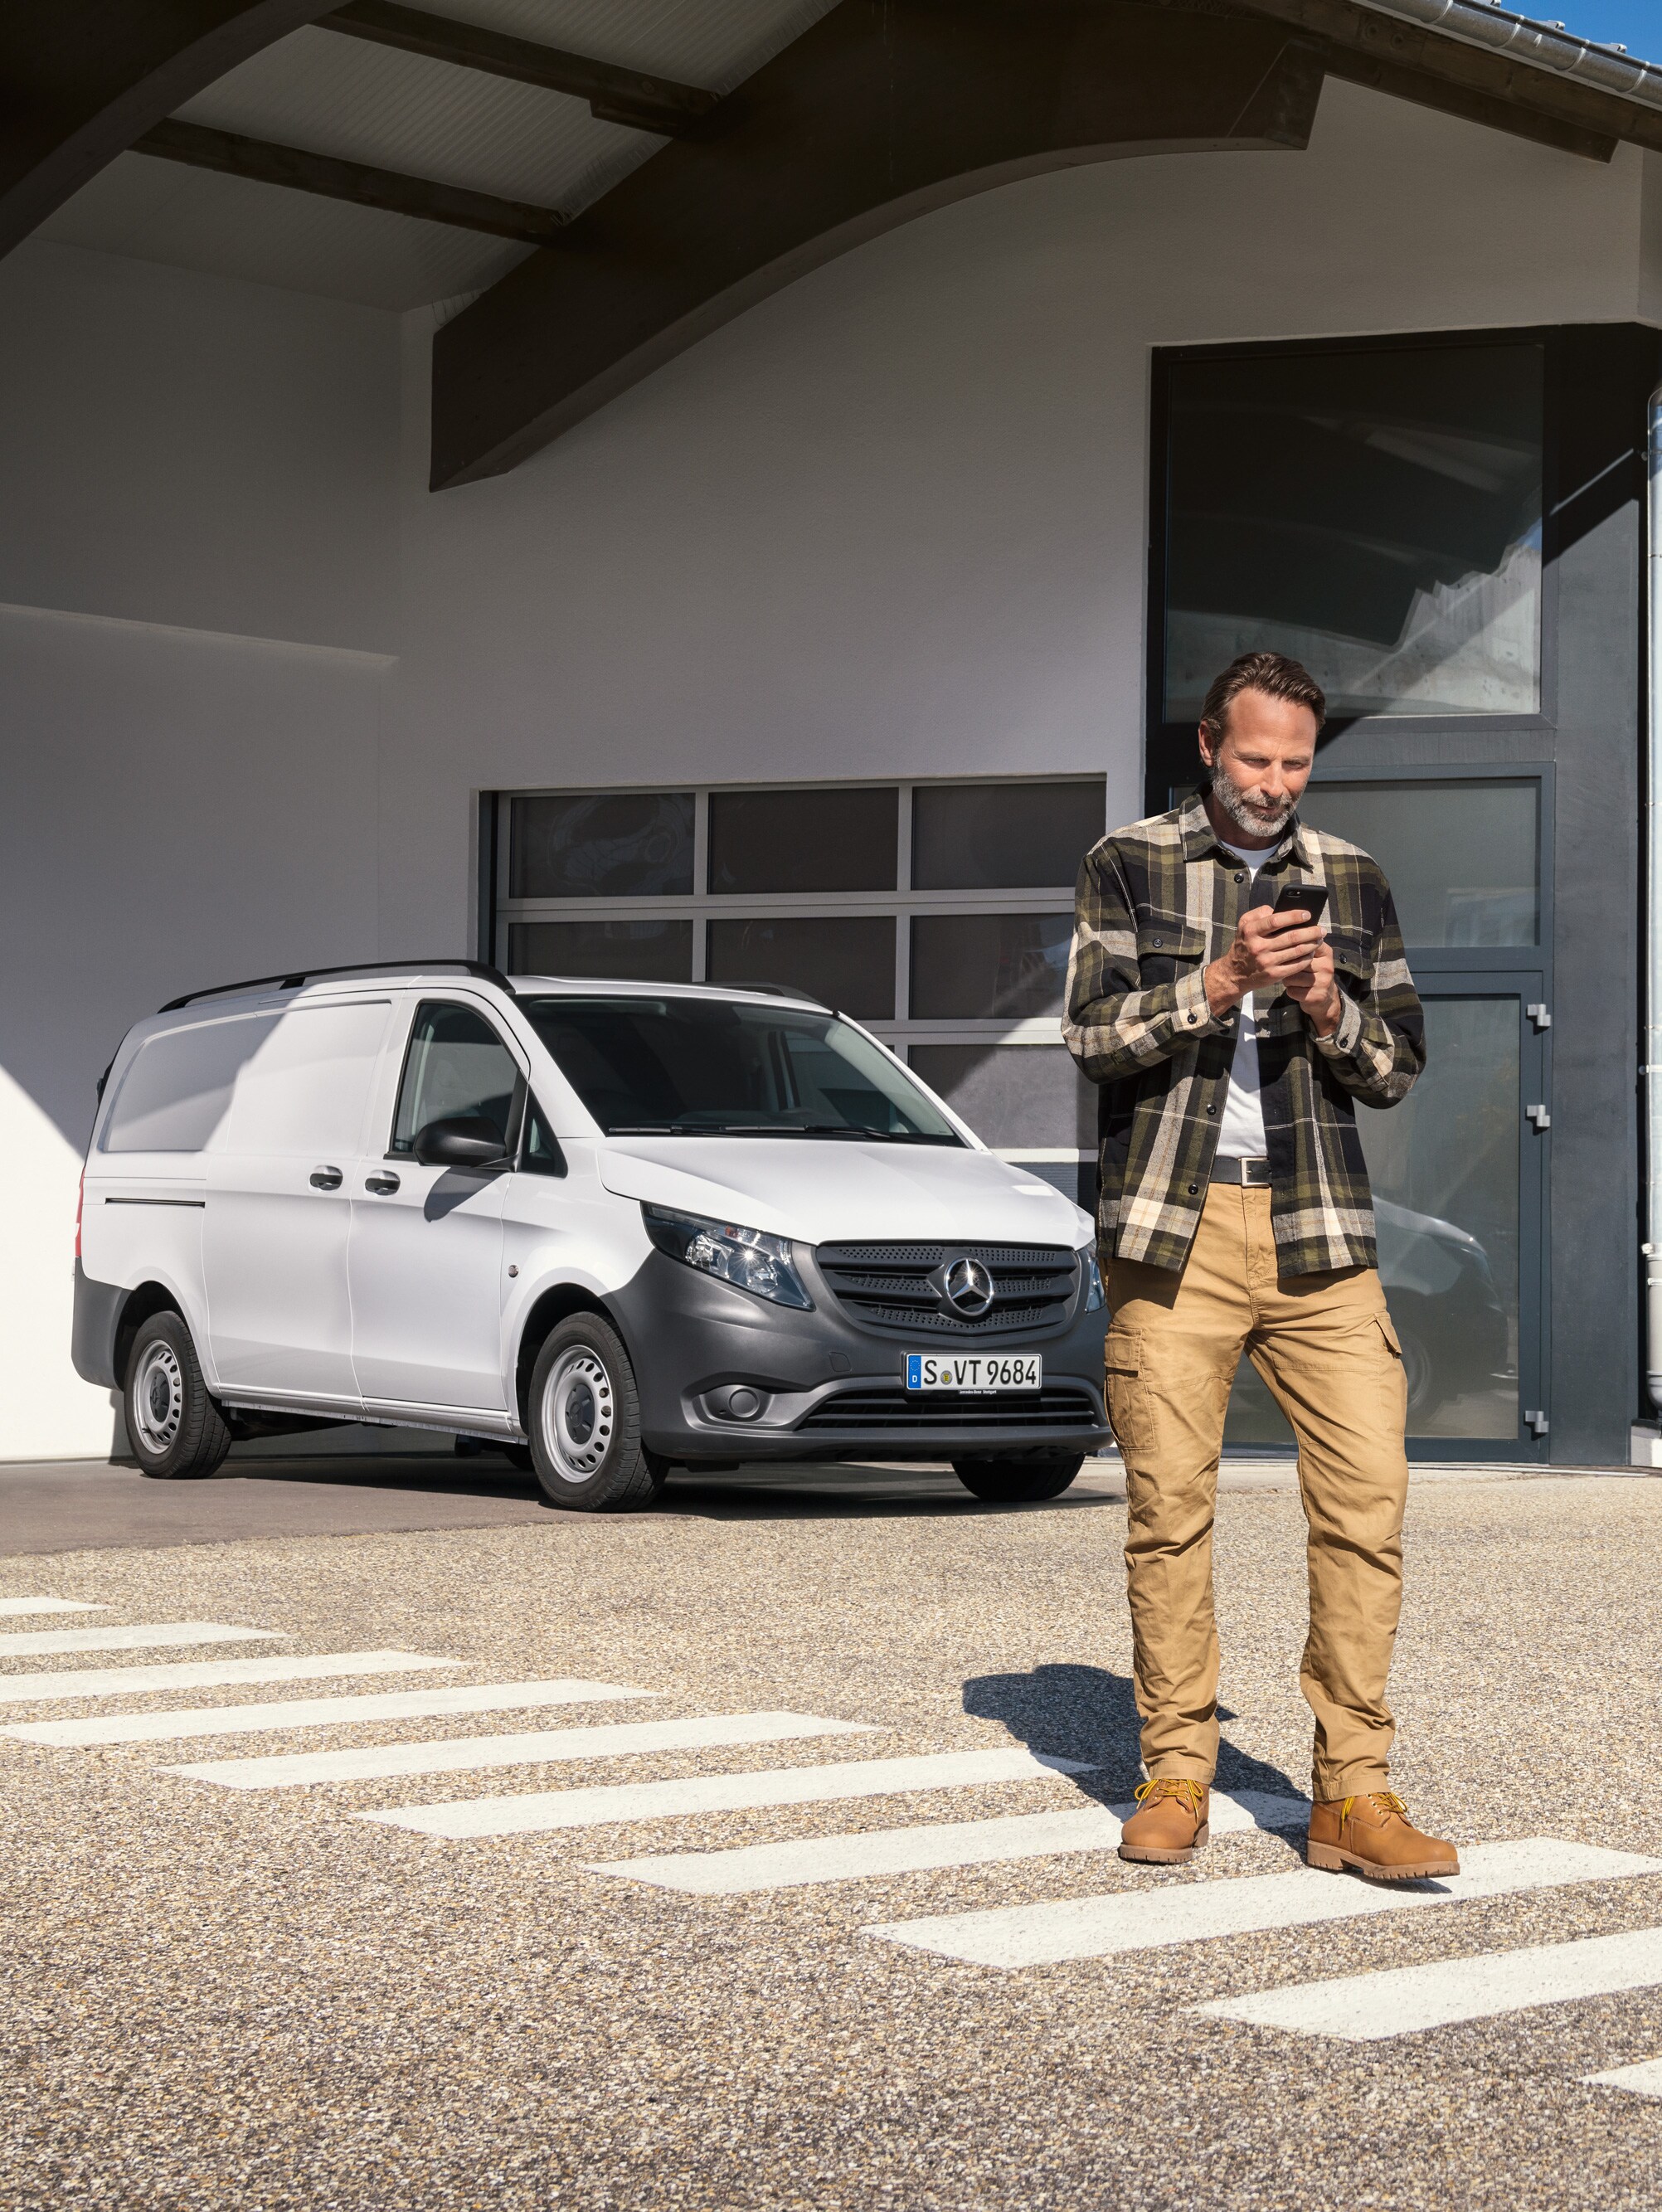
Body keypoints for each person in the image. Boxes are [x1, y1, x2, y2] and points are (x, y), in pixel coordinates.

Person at [1065, 649, 1457, 1881]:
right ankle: (1178, 1771)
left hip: (1317, 1231)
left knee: (1365, 1508)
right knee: (1169, 1515)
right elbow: (1091, 1038)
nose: (1276, 782)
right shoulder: (1127, 865)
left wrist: (1332, 1005)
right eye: (1256, 758)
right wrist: (1222, 981)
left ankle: (1353, 1796)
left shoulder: (1352, 879)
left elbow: (1394, 1067)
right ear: (1207, 746)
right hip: (1173, 1233)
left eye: (1296, 761)